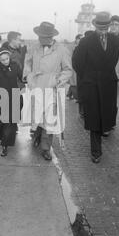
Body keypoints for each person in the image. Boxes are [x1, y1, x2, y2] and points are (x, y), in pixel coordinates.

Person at [73, 12, 119, 163]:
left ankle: (100, 140)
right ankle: (96, 151)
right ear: (95, 26)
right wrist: (88, 77)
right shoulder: (86, 41)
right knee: (94, 118)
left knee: (105, 117)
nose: (103, 31)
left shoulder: (115, 40)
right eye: (100, 28)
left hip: (108, 84)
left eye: (106, 28)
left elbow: (114, 60)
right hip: (91, 85)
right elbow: (77, 62)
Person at [23, 21, 72, 161]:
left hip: (51, 89)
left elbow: (68, 69)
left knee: (49, 119)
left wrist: (58, 81)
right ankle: (37, 135)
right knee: (36, 116)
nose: (41, 39)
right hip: (36, 87)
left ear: (51, 36)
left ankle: (46, 148)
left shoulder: (62, 50)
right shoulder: (33, 47)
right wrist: (28, 77)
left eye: (44, 36)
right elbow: (27, 63)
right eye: (40, 36)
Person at [0, 48, 23, 156]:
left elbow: (22, 78)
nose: (5, 61)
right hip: (0, 97)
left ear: (9, 57)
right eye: (2, 60)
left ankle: (5, 145)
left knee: (10, 122)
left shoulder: (15, 66)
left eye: (7, 59)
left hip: (14, 96)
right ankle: (2, 137)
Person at [67, 34, 82, 100]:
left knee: (73, 82)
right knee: (74, 83)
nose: (81, 40)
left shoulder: (81, 46)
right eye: (79, 39)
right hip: (72, 66)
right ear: (76, 39)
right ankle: (77, 97)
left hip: (77, 67)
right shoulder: (71, 46)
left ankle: (69, 94)